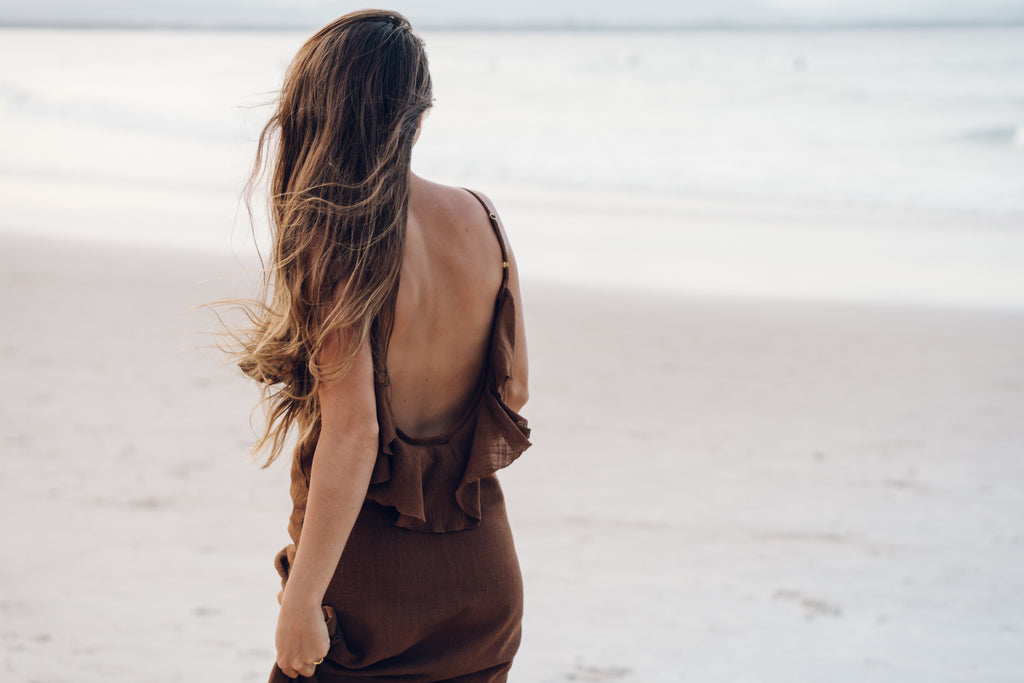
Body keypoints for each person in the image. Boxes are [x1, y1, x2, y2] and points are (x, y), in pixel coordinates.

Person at [230, 9, 532, 682]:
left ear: (314, 112)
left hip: (369, 591)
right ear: (417, 116)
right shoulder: (482, 218)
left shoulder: (336, 236)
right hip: (484, 582)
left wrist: (302, 597)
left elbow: (355, 433)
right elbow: (514, 391)